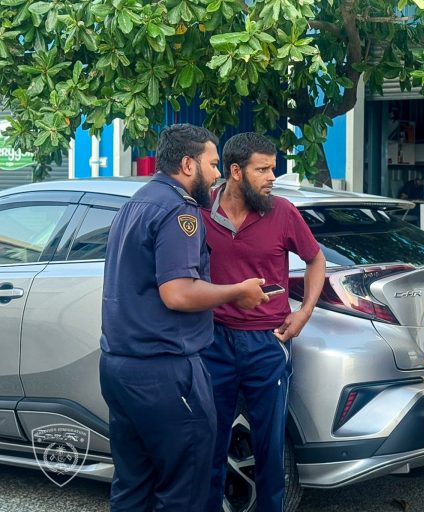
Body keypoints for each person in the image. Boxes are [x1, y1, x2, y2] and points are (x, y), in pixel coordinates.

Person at [100, 123, 269, 511]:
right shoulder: (179, 209)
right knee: (184, 489)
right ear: (188, 164)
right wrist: (237, 291)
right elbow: (177, 292)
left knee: (133, 486)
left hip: (119, 368)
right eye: (212, 164)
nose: (217, 174)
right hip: (165, 372)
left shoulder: (135, 203)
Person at [201, 132, 326, 512]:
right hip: (213, 342)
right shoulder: (201, 210)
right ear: (236, 171)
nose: (272, 177)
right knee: (209, 444)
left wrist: (304, 312)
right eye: (263, 169)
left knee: (270, 449)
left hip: (267, 342)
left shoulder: (283, 212)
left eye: (273, 168)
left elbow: (315, 259)